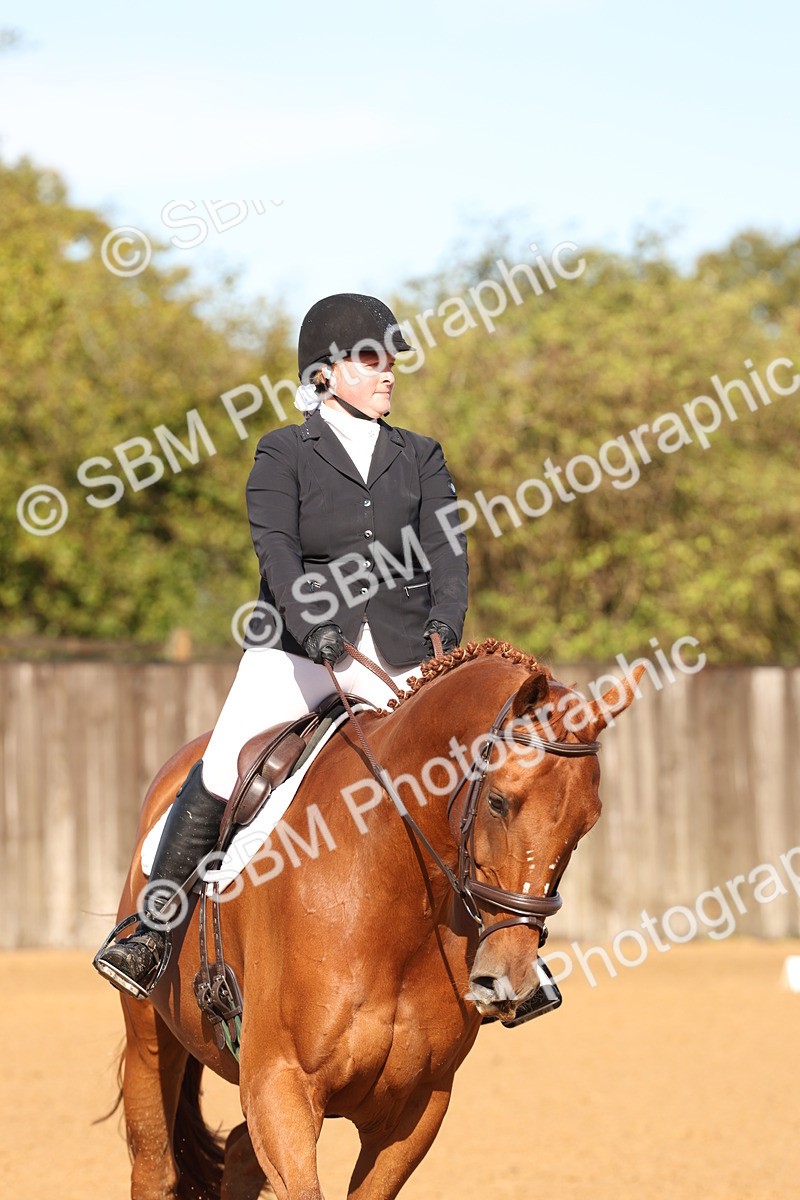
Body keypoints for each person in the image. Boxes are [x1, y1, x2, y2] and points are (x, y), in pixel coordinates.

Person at [93, 292, 470, 998]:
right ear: (325, 372)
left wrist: (445, 628)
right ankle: (152, 930)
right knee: (224, 763)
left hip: (396, 648)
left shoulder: (420, 455)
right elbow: (279, 553)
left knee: (463, 773)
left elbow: (449, 555)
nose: (388, 371)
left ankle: (498, 947)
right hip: (296, 650)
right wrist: (313, 624)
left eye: (391, 359)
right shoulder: (283, 451)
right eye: (370, 358)